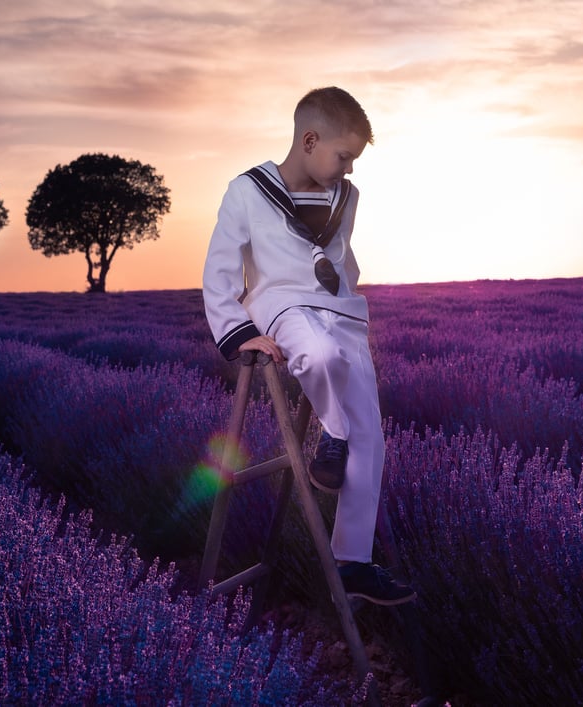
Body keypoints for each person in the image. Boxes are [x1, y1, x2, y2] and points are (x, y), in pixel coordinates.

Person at [202, 86, 414, 606]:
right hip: (280, 306)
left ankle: (353, 565)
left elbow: (341, 261)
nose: (348, 170)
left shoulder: (347, 198)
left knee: (372, 437)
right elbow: (219, 270)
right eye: (344, 157)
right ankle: (331, 434)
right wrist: (239, 329)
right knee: (316, 358)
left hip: (340, 312)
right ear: (311, 139)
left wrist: (350, 309)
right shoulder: (247, 192)